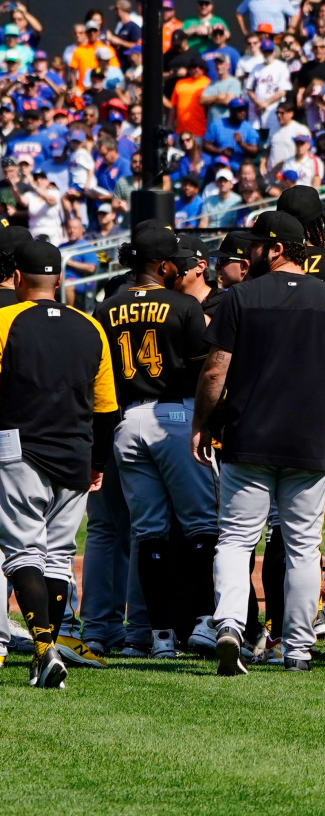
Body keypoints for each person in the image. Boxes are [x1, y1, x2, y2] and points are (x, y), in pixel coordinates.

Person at [193, 210, 325, 674]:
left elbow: (215, 370)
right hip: (308, 439)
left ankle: (229, 623)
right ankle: (296, 649)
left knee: (235, 540)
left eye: (256, 244)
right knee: (304, 545)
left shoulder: (239, 297)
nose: (248, 253)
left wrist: (202, 422)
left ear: (275, 248)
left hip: (248, 436)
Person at [0, 240, 118, 689]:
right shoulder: (90, 326)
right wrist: (98, 461)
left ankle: (45, 649)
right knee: (57, 555)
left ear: (16, 279)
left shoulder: (5, 320)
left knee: (23, 551)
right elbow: (106, 408)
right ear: (61, 280)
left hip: (19, 446)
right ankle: (49, 648)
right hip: (76, 449)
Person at [95, 226, 212, 661]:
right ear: (163, 265)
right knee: (201, 524)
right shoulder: (183, 305)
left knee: (149, 532)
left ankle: (157, 635)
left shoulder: (107, 307)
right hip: (176, 415)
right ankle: (202, 621)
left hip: (128, 421)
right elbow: (206, 371)